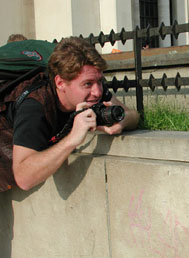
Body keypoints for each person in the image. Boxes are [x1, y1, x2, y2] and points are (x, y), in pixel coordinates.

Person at [0, 36, 139, 191]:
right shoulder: (35, 106)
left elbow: (133, 115)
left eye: (99, 81)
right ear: (60, 83)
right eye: (87, 84)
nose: (97, 91)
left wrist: (122, 122)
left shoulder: (93, 91)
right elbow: (24, 178)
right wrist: (72, 139)